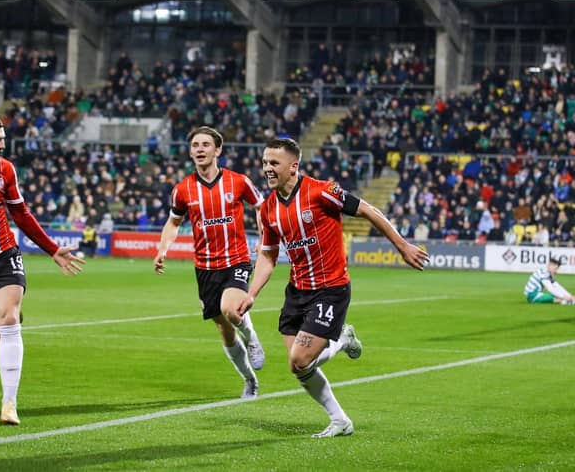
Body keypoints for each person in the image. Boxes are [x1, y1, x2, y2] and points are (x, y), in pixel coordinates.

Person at [234, 138, 429, 438]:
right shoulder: (268, 209)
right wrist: (251, 293)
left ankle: (340, 339)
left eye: (274, 163)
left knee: (300, 359)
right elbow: (268, 255)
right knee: (298, 366)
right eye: (264, 163)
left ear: (293, 166)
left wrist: (402, 245)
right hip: (297, 291)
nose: (267, 169)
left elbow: (368, 210)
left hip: (331, 288)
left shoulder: (322, 191)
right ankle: (340, 420)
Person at [0, 114, 84, 425]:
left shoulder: (5, 169)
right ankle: (9, 330)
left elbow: (21, 213)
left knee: (10, 318)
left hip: (4, 254)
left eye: (3, 139)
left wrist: (52, 249)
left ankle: (9, 404)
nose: (3, 145)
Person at [153, 126, 266, 399]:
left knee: (231, 309)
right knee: (224, 330)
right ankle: (249, 380)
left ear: (218, 150)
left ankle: (252, 339)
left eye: (205, 144)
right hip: (205, 268)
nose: (200, 149)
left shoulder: (238, 181)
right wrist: (162, 249)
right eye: (195, 145)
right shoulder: (183, 190)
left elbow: (261, 208)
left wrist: (264, 238)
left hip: (236, 259)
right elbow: (174, 222)